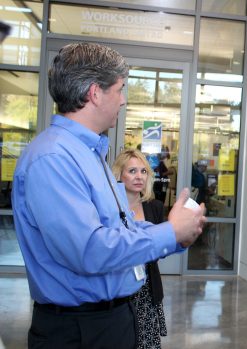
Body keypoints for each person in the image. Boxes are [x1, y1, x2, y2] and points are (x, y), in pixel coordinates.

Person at [11, 42, 206, 349]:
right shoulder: (52, 158)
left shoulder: (90, 154)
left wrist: (176, 236)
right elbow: (90, 250)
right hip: (78, 330)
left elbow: (119, 229)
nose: (124, 100)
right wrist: (169, 232)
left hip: (109, 321)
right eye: (120, 89)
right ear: (95, 93)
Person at [112, 149, 168, 349]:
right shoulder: (109, 207)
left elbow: (160, 247)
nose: (139, 176)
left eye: (143, 171)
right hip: (118, 288)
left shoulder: (155, 207)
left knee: (147, 342)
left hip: (147, 287)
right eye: (132, 171)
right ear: (119, 175)